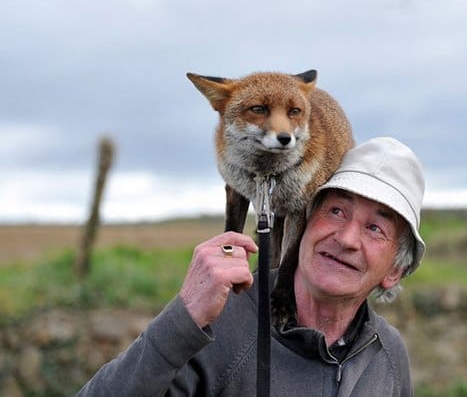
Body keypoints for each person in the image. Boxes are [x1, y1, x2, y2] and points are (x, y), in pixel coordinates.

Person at [78, 137, 426, 396]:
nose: (348, 238)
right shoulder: (221, 325)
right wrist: (183, 318)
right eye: (336, 210)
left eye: (375, 228)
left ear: (394, 270)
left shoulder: (386, 353)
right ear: (303, 222)